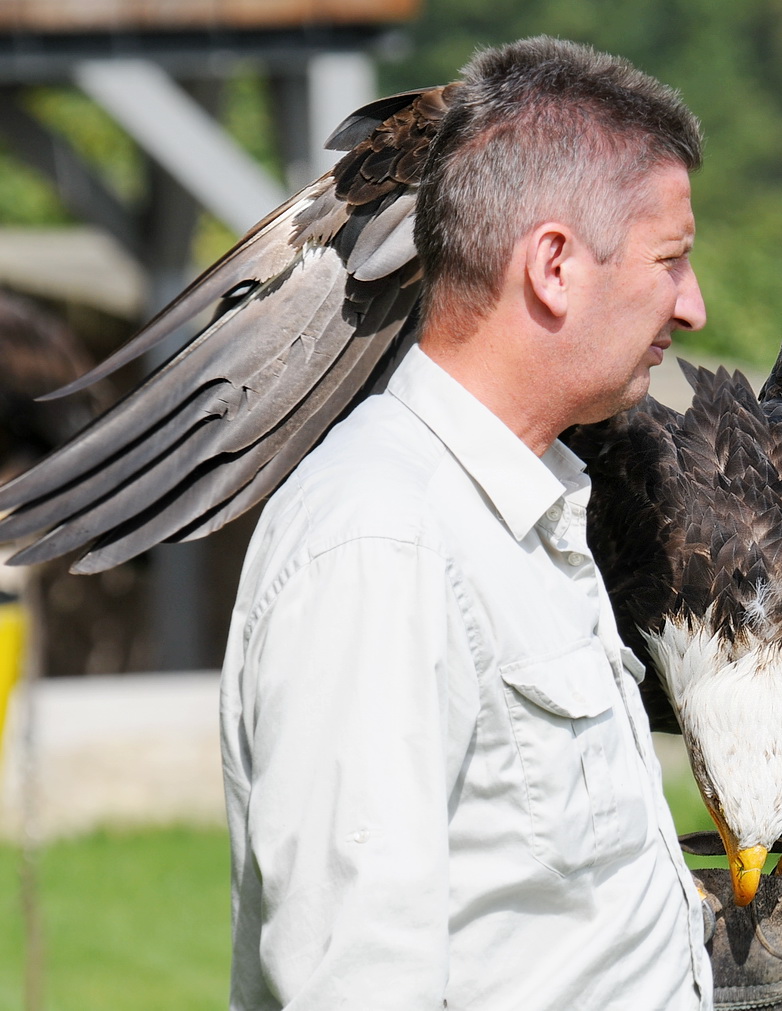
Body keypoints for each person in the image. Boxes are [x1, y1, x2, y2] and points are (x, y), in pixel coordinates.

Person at [219, 37, 712, 1009]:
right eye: (671, 262)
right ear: (555, 268)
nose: (691, 307)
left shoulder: (525, 508)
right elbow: (357, 981)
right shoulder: (382, 548)